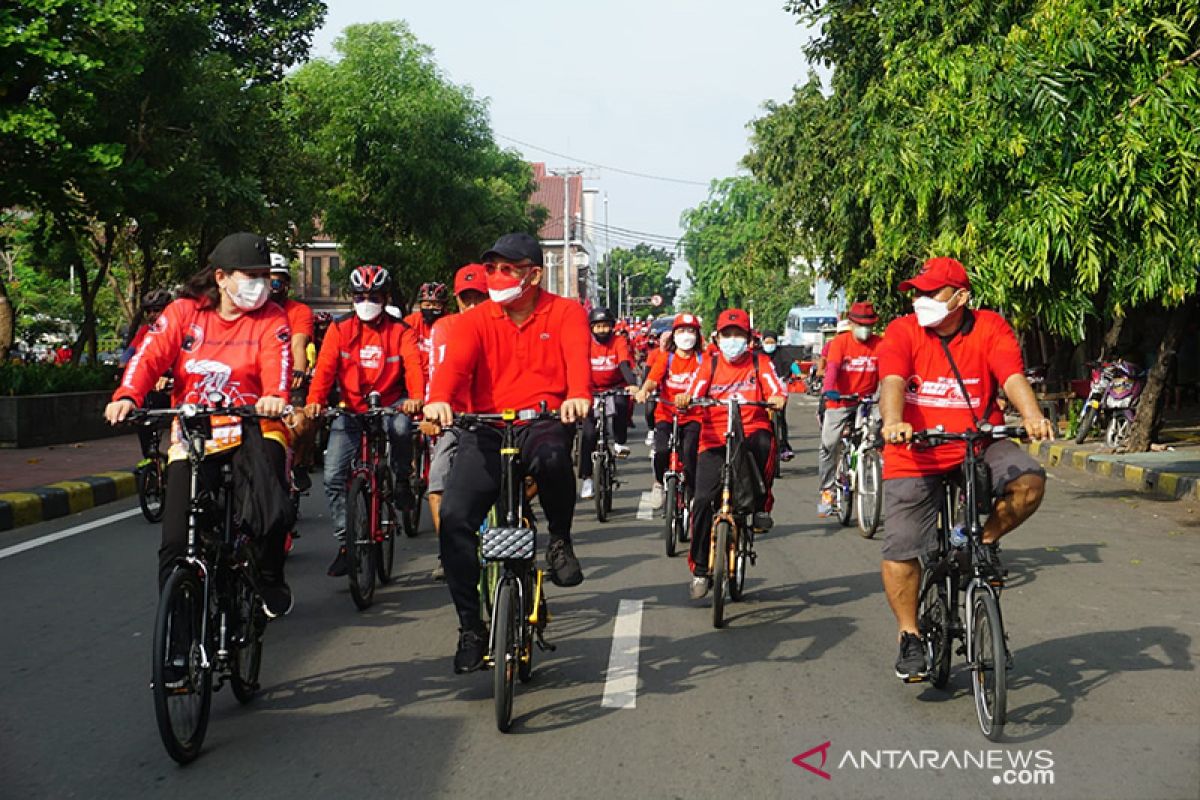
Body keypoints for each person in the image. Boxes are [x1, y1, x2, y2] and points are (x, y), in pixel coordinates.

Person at [878, 256, 1055, 681]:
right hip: (914, 451)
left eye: (932, 292)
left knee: (1029, 484)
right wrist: (893, 423)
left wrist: (1031, 414)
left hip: (978, 443)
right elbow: (893, 381)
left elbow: (1011, 376)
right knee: (903, 546)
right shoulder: (903, 331)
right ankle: (910, 635)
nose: (921, 300)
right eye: (917, 292)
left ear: (961, 296)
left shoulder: (990, 327)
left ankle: (979, 539)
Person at [424, 232, 591, 674]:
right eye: (492, 268)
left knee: (555, 459)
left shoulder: (567, 312)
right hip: (486, 428)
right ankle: (470, 627)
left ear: (534, 274)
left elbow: (578, 364)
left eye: (507, 269)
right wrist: (440, 398)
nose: (496, 277)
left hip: (542, 422)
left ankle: (559, 541)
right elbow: (453, 367)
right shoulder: (475, 320)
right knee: (456, 519)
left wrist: (576, 395)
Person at [104, 231, 294, 618]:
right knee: (175, 544)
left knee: (271, 511)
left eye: (264, 275)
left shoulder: (271, 317)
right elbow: (150, 356)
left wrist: (274, 395)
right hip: (194, 435)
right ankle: (178, 644)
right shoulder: (183, 313)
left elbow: (279, 361)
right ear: (221, 277)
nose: (260, 284)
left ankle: (269, 576)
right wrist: (127, 395)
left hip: (254, 427)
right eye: (250, 275)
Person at [304, 265, 424, 578]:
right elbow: (325, 370)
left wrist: (415, 399)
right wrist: (314, 403)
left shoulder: (401, 332)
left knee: (401, 427)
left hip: (391, 404)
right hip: (351, 409)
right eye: (360, 295)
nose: (366, 300)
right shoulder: (339, 329)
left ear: (385, 298)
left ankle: (400, 480)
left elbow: (413, 369)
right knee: (332, 476)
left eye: (373, 295)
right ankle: (348, 544)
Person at [676, 308, 788, 600]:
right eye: (728, 334)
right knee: (701, 502)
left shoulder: (759, 362)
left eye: (739, 334)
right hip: (714, 437)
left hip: (751, 432)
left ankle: (762, 505)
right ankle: (700, 568)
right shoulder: (709, 365)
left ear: (749, 338)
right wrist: (686, 399)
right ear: (718, 337)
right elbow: (695, 388)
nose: (733, 340)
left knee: (767, 442)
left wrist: (777, 399)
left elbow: (777, 388)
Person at [423, 263, 488, 581]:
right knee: (437, 482)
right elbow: (437, 373)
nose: (473, 306)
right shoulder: (444, 328)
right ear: (458, 301)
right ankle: (449, 551)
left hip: (494, 420)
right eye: (466, 299)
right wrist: (432, 411)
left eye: (480, 298)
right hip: (457, 419)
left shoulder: (500, 325)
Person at [816, 302, 884, 515]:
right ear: (852, 324)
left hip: (868, 401)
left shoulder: (881, 344)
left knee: (880, 432)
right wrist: (828, 389)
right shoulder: (840, 343)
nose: (865, 329)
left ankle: (872, 465)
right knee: (828, 445)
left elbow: (888, 372)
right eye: (861, 324)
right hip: (840, 401)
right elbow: (833, 368)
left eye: (869, 325)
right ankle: (827, 491)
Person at [635, 313, 703, 510]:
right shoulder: (667, 358)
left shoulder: (703, 359)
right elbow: (653, 379)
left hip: (693, 415)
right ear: (674, 335)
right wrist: (644, 391)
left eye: (691, 331)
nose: (686, 335)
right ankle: (658, 483)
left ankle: (692, 492)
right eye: (681, 331)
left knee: (690, 453)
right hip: (666, 413)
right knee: (661, 450)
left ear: (698, 335)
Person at [578, 306, 639, 499]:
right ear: (591, 328)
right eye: (598, 327)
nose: (602, 330)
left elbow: (623, 364)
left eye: (606, 326)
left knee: (621, 405)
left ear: (611, 327)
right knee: (588, 434)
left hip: (616, 387)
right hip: (592, 390)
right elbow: (578, 366)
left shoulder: (618, 341)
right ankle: (587, 478)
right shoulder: (585, 343)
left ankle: (620, 442)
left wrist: (632, 384)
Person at [269, 253, 316, 490]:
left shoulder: (299, 311)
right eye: (265, 281)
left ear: (286, 285)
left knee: (302, 421)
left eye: (276, 283)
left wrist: (299, 373)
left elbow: (298, 345)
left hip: (288, 379)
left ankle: (297, 464)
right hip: (257, 382)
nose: (270, 288)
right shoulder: (250, 312)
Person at [759, 330, 796, 462]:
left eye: (772, 342)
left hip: (780, 387)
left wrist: (798, 374)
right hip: (762, 390)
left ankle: (784, 446)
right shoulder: (758, 355)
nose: (769, 345)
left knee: (780, 419)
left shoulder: (782, 353)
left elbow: (793, 365)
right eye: (767, 342)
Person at [404, 281, 450, 383]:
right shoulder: (410, 322)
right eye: (427, 305)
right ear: (420, 306)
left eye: (436, 305)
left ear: (444, 307)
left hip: (441, 379)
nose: (431, 308)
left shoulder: (451, 324)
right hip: (414, 378)